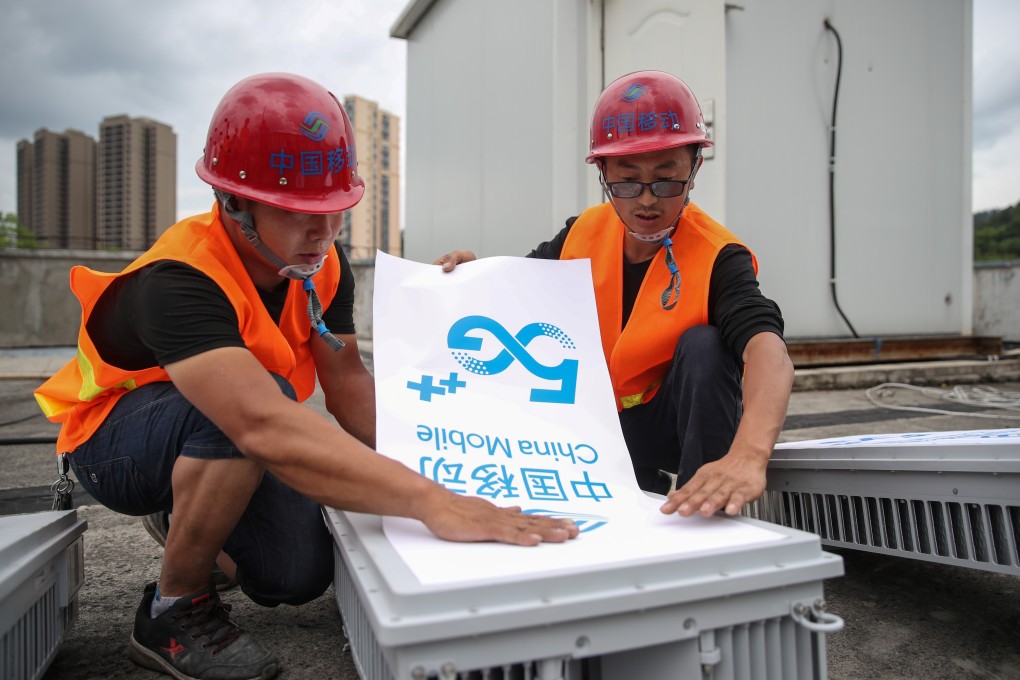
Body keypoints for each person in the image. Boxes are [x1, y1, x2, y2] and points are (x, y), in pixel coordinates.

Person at [34, 73, 577, 680]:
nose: (324, 233)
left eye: (335, 210)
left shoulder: (321, 262)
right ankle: (173, 608)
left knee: (295, 574)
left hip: (223, 432)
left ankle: (189, 514)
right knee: (245, 414)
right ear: (234, 202)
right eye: (298, 213)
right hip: (115, 444)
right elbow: (259, 422)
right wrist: (433, 503)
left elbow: (346, 385)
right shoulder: (180, 278)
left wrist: (443, 467)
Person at [435, 70, 794, 521]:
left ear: (694, 169)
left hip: (670, 425)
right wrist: (473, 274)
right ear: (603, 173)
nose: (646, 201)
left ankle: (706, 508)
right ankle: (627, 480)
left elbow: (768, 350)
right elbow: (514, 290)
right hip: (593, 425)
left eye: (666, 181)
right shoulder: (582, 233)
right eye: (626, 182)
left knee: (706, 345)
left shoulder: (719, 255)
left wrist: (749, 454)